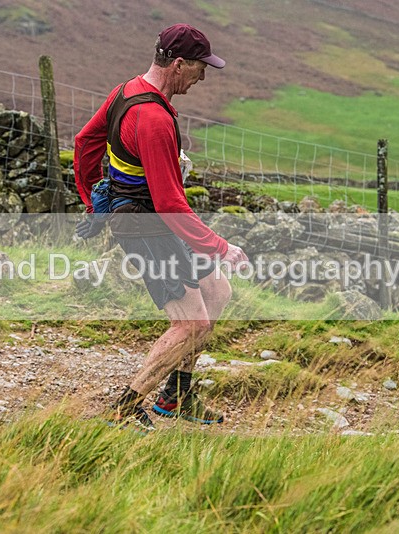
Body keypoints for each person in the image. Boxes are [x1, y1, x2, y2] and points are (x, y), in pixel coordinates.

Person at [73, 23, 249, 433]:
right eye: (200, 68)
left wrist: (91, 197)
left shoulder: (127, 91)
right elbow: (171, 204)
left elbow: (85, 142)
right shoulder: (152, 118)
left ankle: (177, 395)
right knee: (191, 323)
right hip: (143, 224)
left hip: (149, 216)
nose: (203, 77)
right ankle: (124, 406)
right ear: (179, 63)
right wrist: (221, 247)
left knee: (217, 291)